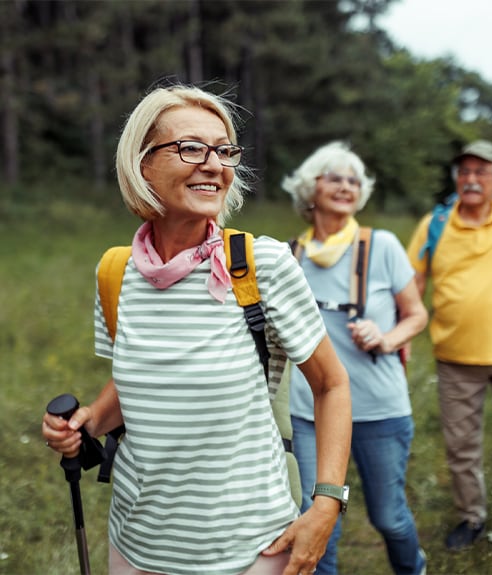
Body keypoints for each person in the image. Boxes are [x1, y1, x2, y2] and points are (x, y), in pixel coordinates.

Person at [42, 83, 352, 575]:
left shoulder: (263, 265)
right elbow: (137, 379)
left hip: (250, 550)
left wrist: (327, 504)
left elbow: (332, 384)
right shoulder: (116, 273)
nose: (214, 164)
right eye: (190, 147)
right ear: (142, 164)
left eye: (224, 150)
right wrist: (86, 422)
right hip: (136, 544)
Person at [282, 141, 428, 575]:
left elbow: (417, 314)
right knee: (317, 522)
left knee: (389, 516)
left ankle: (412, 568)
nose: (346, 186)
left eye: (353, 180)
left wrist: (386, 338)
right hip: (311, 413)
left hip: (379, 410)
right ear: (311, 189)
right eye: (335, 177)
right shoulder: (290, 257)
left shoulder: (381, 245)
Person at [407, 139, 492, 550]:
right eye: (465, 172)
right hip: (454, 357)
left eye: (481, 172)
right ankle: (471, 517)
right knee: (461, 446)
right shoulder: (435, 224)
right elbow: (413, 282)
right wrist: (402, 333)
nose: (472, 179)